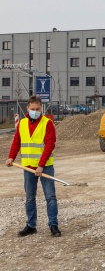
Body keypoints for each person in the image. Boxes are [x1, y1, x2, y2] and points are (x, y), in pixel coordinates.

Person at [5, 95, 60, 237]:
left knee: (50, 197)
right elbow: (16, 142)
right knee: (30, 198)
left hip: (45, 166)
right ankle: (31, 225)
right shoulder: (22, 123)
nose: (35, 111)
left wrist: (41, 165)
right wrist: (11, 157)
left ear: (41, 108)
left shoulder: (47, 123)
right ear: (27, 108)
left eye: (38, 109)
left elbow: (50, 145)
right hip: (28, 167)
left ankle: (53, 225)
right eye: (33, 109)